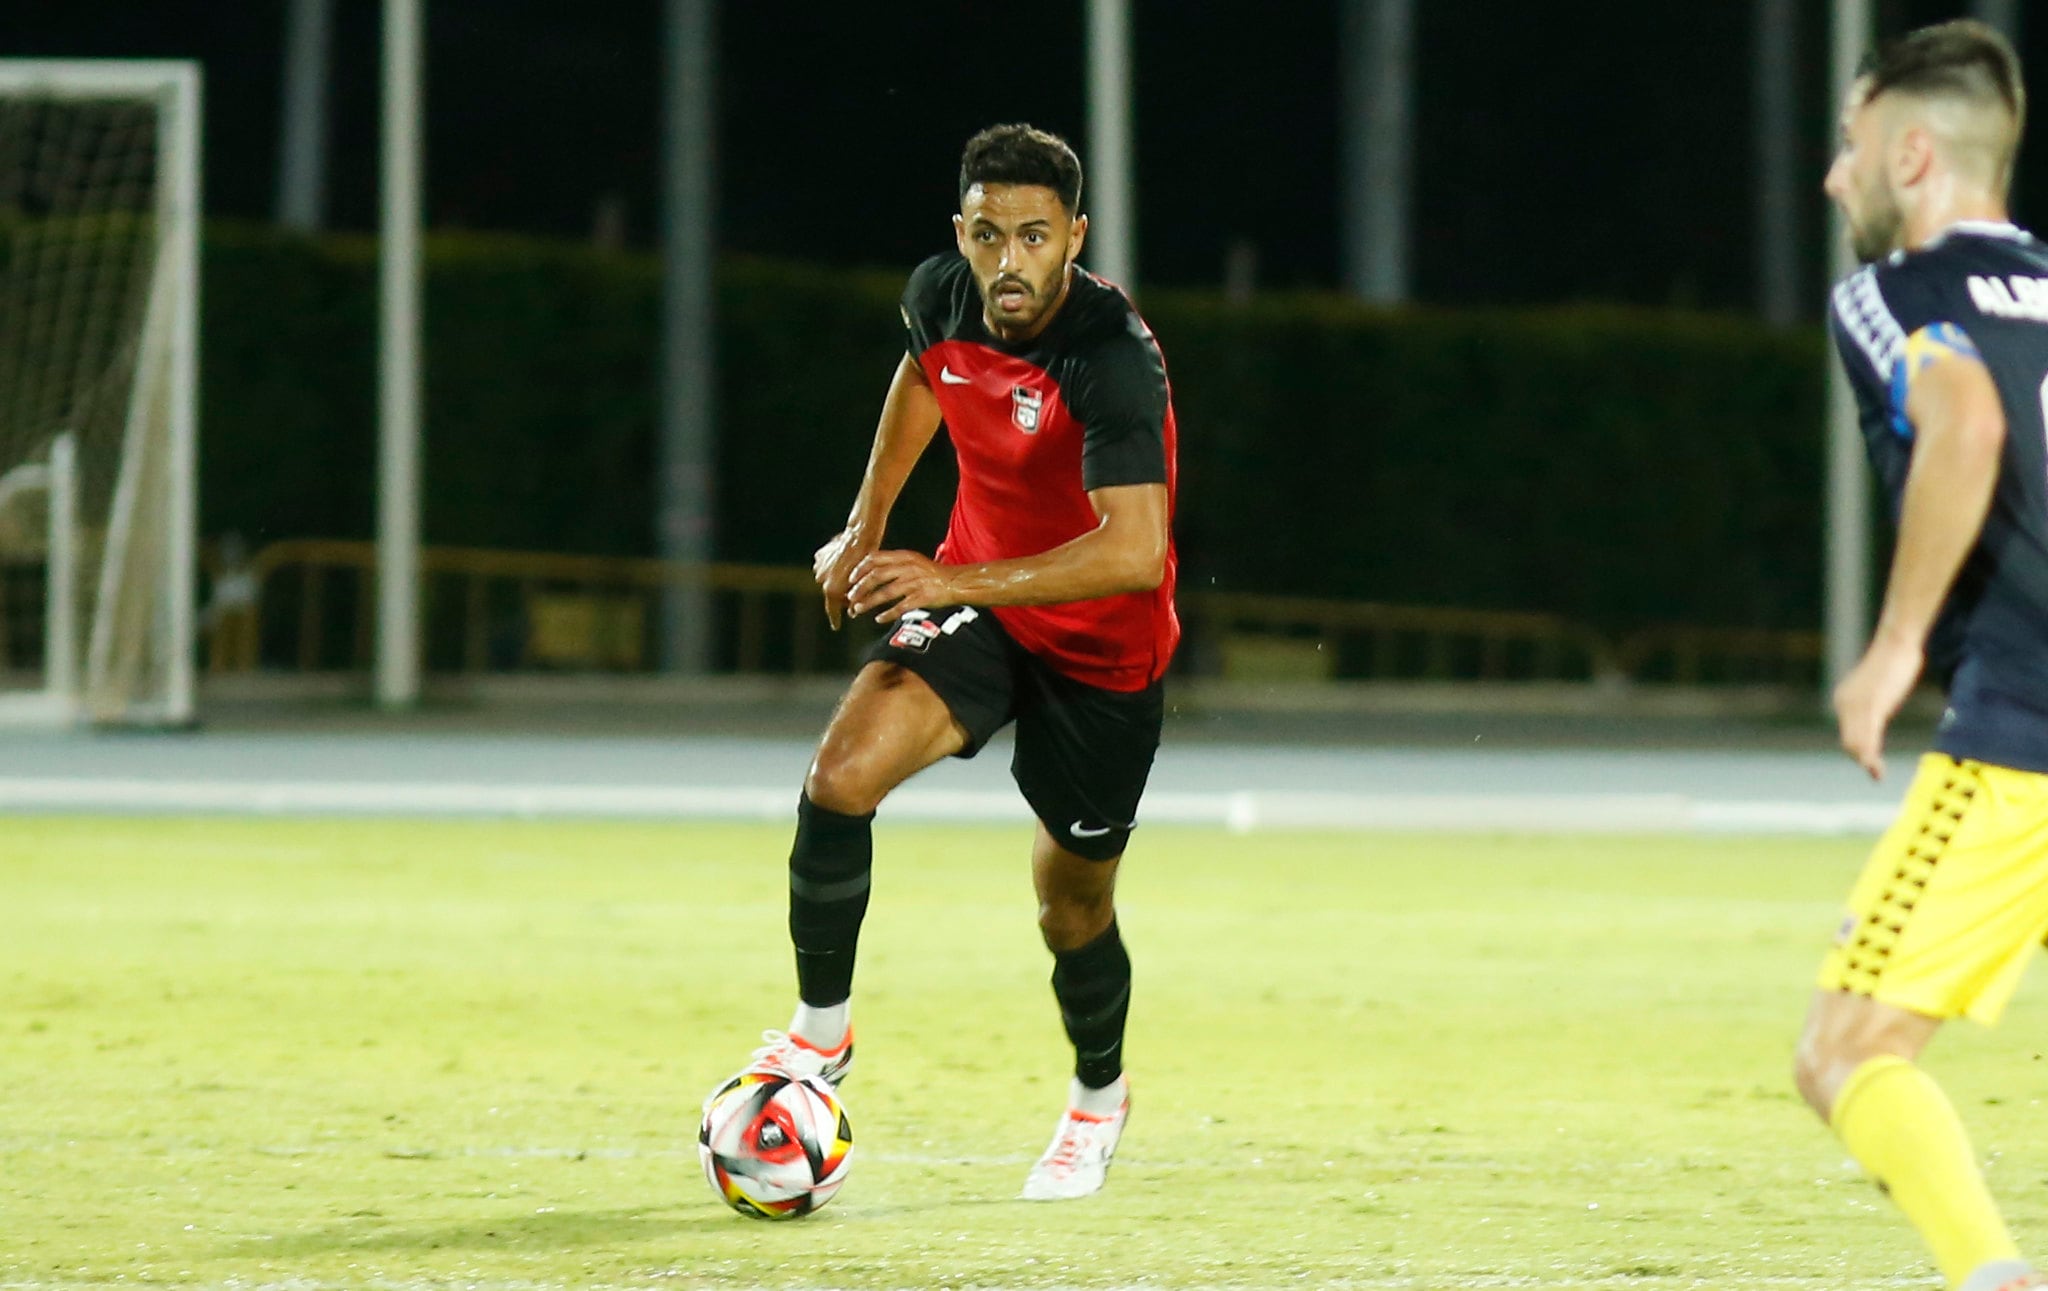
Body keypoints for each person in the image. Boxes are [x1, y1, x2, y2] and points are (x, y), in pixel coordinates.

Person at [711, 123, 1179, 1201]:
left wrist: (948, 580)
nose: (1006, 260)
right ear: (958, 236)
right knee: (839, 776)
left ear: (1074, 236)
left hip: (1102, 654)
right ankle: (819, 1038)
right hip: (981, 609)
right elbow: (922, 377)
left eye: (1030, 235)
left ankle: (1095, 1099)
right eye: (985, 235)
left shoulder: (1109, 354)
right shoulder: (942, 294)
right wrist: (865, 524)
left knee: (1071, 909)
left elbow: (1133, 551)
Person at [1803, 19, 2048, 1291]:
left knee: (1843, 1053)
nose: (1832, 178)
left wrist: (1891, 645)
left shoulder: (1891, 294)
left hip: (2023, 744)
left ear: (1909, 153)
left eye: (1847, 148)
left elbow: (1961, 421)